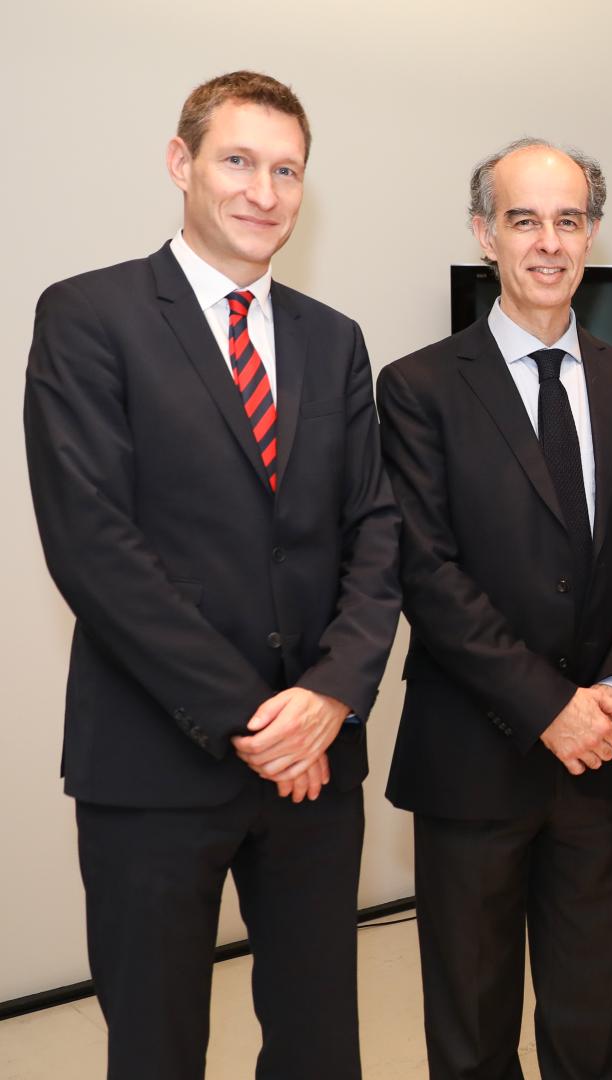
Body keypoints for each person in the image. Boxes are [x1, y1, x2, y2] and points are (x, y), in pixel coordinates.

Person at [22, 70, 401, 1077]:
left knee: (320, 1047)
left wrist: (330, 695)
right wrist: (255, 720)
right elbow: (95, 548)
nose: (263, 192)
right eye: (238, 161)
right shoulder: (89, 316)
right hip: (156, 760)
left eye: (287, 170)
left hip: (316, 765)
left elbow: (374, 532)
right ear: (180, 163)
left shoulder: (333, 339)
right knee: (157, 1049)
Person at [376, 138, 612, 1079]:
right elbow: (427, 573)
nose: (548, 242)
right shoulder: (419, 387)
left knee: (591, 1024)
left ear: (592, 233)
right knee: (471, 1028)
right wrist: (552, 708)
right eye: (524, 220)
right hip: (474, 755)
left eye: (568, 220)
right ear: (485, 234)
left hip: (602, 758)